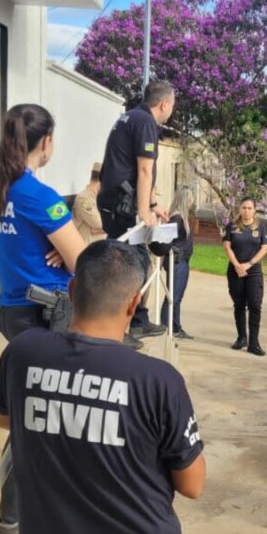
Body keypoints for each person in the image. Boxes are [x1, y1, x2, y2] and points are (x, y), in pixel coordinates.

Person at [0, 240, 206, 534]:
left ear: (73, 289)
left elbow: (3, 418)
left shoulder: (23, 351)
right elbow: (192, 484)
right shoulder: (159, 380)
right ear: (135, 303)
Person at [0, 103, 86, 534]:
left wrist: (58, 241)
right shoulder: (37, 195)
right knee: (43, 419)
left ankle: (16, 517)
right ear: (45, 142)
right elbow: (85, 261)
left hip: (13, 310)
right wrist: (68, 245)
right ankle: (14, 517)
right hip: (48, 314)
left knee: (34, 412)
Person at [97, 81, 175, 348]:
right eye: (172, 106)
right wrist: (144, 212)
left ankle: (138, 320)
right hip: (122, 204)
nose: (171, 112)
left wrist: (152, 204)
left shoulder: (132, 116)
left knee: (139, 261)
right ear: (164, 104)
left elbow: (140, 172)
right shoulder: (145, 122)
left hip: (117, 200)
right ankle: (120, 326)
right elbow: (143, 170)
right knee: (130, 265)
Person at [223, 197, 267, 356]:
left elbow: (264, 249)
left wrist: (248, 264)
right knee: (239, 304)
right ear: (239, 209)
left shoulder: (261, 227)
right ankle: (242, 337)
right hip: (235, 271)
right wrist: (237, 265)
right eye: (244, 207)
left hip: (253, 271)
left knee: (255, 306)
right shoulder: (232, 226)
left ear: (254, 210)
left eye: (250, 208)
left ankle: (254, 343)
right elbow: (227, 247)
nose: (246, 211)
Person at [159, 185, 195, 339]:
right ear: (185, 198)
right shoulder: (177, 218)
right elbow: (164, 241)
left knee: (177, 297)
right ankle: (167, 326)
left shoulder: (182, 218)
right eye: (191, 197)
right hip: (177, 261)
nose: (192, 200)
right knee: (173, 296)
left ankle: (175, 326)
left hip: (183, 261)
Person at [72, 162, 106, 244]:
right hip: (86, 249)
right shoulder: (83, 198)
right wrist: (106, 228)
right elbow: (98, 223)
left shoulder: (100, 198)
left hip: (99, 247)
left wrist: (103, 230)